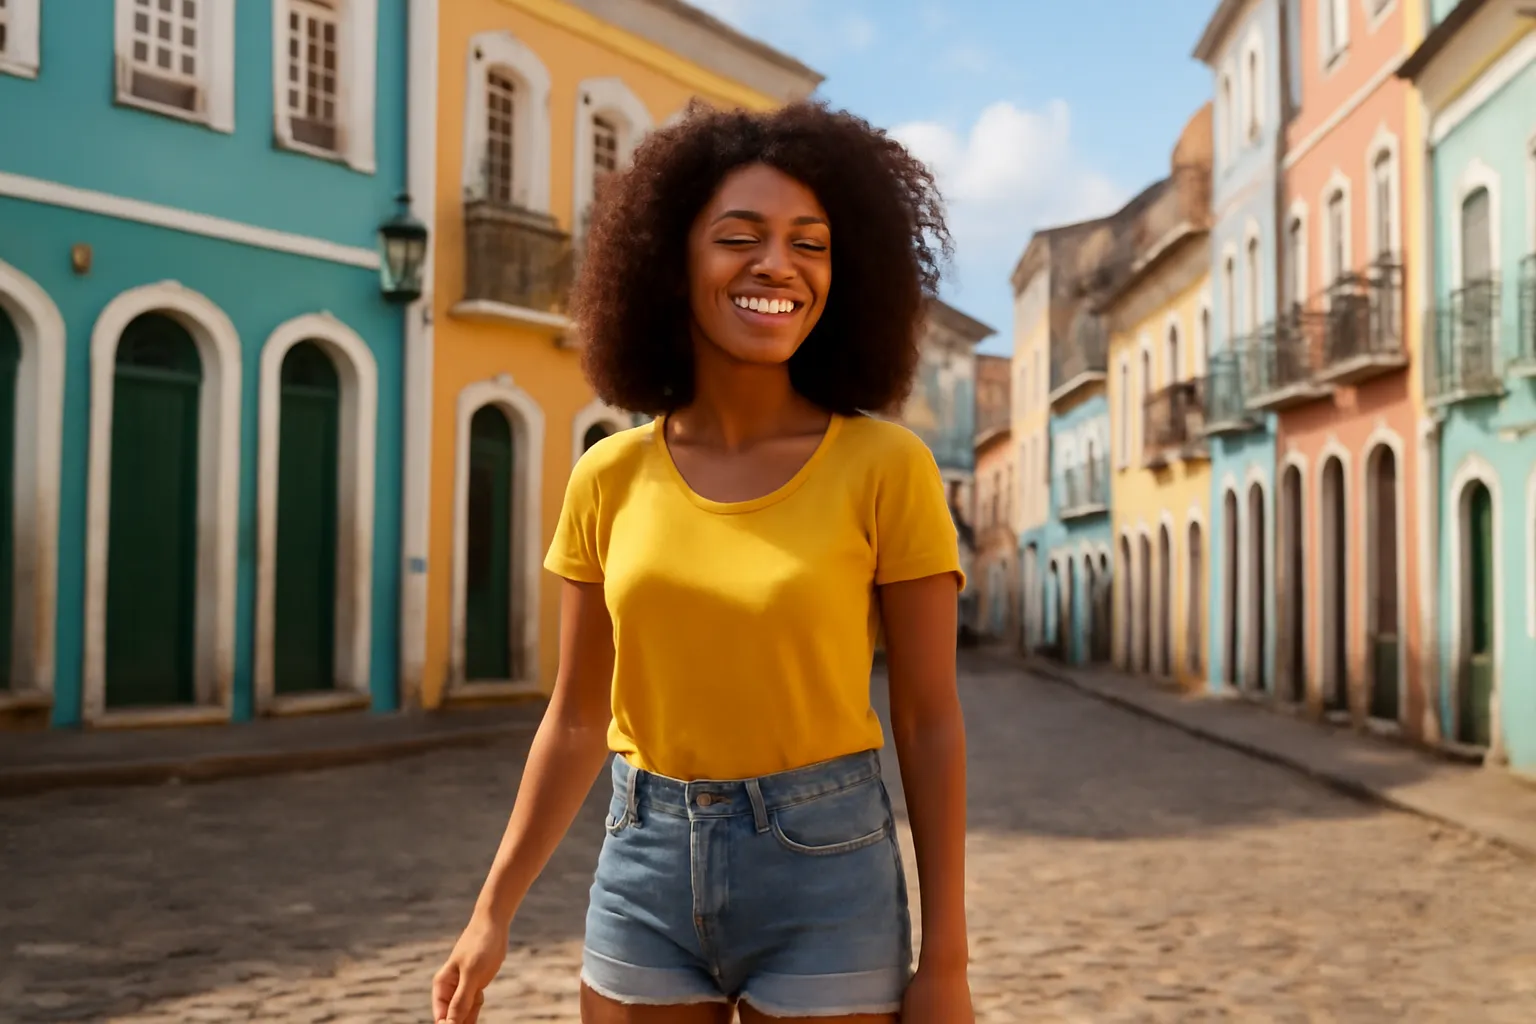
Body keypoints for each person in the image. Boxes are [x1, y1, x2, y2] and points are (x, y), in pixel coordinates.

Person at [432, 100, 972, 1024]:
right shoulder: (607, 476)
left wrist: (947, 959)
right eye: (740, 237)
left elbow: (927, 721)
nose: (779, 266)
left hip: (827, 871)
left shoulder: (889, 469)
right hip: (642, 865)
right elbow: (573, 719)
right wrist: (491, 913)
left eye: (812, 243)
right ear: (669, 262)